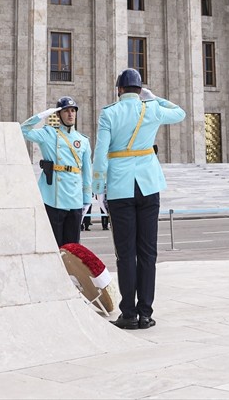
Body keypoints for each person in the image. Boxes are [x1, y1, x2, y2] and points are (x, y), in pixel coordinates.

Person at [92, 68, 186, 330]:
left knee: (126, 253)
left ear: (119, 90)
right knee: (148, 252)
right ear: (139, 90)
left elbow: (100, 153)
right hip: (148, 186)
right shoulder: (152, 108)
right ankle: (146, 312)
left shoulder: (109, 113)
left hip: (121, 188)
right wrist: (155, 98)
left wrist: (98, 185)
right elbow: (180, 113)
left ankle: (129, 313)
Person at [19, 96, 92, 248]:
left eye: (73, 110)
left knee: (72, 248)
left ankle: (68, 273)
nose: (70, 114)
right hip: (53, 197)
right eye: (66, 111)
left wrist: (86, 198)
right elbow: (22, 130)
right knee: (53, 246)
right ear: (58, 114)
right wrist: (42, 115)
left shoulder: (83, 140)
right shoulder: (48, 134)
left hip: (74, 198)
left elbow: (87, 171)